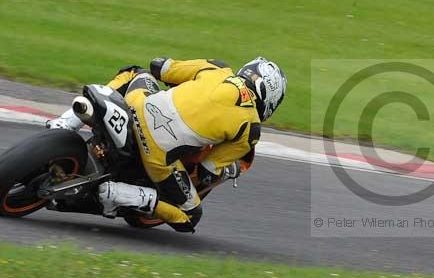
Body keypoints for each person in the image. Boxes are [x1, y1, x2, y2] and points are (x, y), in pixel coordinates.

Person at [47, 57, 287, 232]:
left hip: (136, 106)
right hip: (157, 156)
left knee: (134, 72)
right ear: (270, 101)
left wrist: (183, 85)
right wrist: (227, 170)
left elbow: (159, 66)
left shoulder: (217, 68)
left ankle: (64, 124)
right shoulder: (250, 129)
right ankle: (114, 193)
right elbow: (206, 169)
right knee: (190, 216)